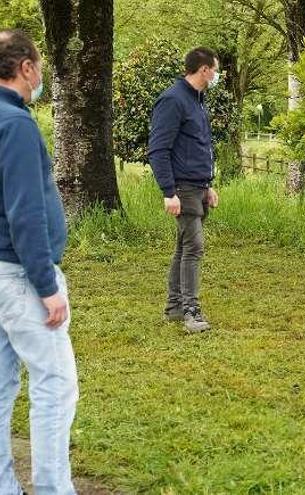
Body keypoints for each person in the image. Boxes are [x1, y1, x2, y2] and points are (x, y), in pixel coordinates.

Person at [0, 29, 78, 494]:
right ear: (26, 67)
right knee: (54, 386)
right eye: (40, 66)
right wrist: (46, 286)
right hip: (21, 277)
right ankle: (53, 488)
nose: (42, 74)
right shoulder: (17, 125)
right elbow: (25, 212)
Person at [148, 47, 221, 334]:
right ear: (204, 69)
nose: (216, 75)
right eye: (215, 69)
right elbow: (158, 149)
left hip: (197, 187)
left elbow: (198, 147)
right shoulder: (172, 100)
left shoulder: (197, 101)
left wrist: (208, 185)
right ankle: (191, 311)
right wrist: (169, 191)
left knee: (184, 246)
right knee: (194, 247)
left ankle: (175, 306)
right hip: (182, 188)